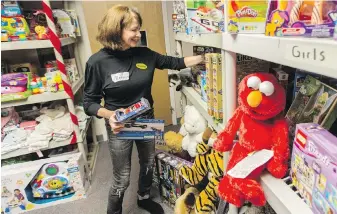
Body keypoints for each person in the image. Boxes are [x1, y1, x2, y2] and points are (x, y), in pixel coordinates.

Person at [83, 5, 204, 214]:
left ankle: (144, 197)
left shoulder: (145, 54)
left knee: (148, 162)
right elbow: (89, 103)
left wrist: (207, 56)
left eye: (139, 29)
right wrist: (110, 115)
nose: (139, 34)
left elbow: (175, 62)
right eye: (133, 30)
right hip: (120, 125)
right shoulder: (97, 63)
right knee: (122, 177)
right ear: (115, 30)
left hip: (146, 119)